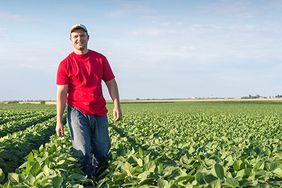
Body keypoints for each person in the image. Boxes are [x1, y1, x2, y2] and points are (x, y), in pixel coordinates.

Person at [55, 24, 122, 180]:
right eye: (75, 36)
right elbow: (61, 92)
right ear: (70, 40)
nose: (79, 39)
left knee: (102, 151)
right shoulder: (65, 64)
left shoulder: (99, 59)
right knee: (82, 152)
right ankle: (85, 181)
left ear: (88, 38)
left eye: (82, 35)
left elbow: (111, 82)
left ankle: (101, 179)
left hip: (99, 111)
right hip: (76, 111)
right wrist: (59, 120)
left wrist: (117, 105)